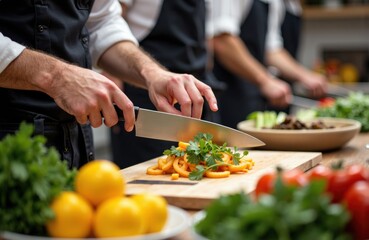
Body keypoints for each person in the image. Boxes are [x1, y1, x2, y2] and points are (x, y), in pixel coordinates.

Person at [0, 1, 218, 169]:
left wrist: (152, 73)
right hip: (10, 144)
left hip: (75, 138)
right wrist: (57, 76)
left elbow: (102, 23)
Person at [110, 0, 224, 168]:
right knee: (147, 175)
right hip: (145, 94)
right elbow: (108, 22)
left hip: (194, 88)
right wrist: (114, 94)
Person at [208, 0, 326, 129]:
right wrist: (266, 80)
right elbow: (221, 40)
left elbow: (271, 49)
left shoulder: (274, 3)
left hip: (252, 98)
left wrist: (304, 76)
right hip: (225, 96)